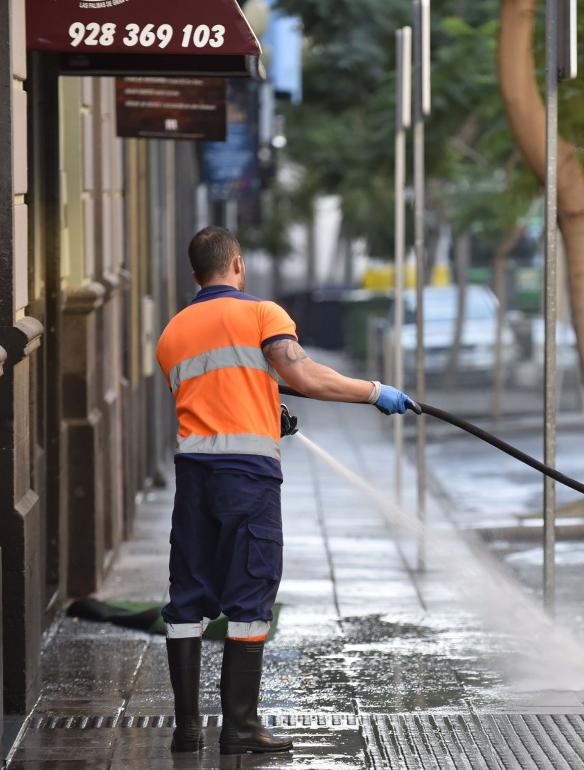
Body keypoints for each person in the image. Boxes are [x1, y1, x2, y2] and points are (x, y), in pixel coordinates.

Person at [155, 227, 416, 756]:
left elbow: (217, 392)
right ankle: (241, 727)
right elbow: (305, 375)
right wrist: (372, 392)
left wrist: (267, 409)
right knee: (251, 591)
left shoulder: (173, 333)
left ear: (194, 275)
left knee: (187, 596)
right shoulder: (261, 314)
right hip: (246, 477)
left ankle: (186, 730)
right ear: (238, 265)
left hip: (194, 477)